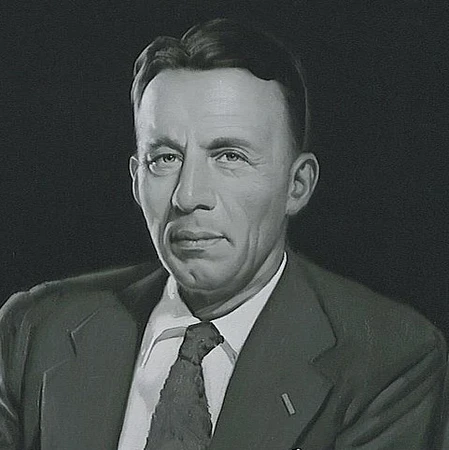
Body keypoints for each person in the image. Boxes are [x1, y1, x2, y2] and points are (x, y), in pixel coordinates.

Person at [0, 18, 446, 450]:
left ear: (297, 185)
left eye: (230, 156)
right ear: (136, 180)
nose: (188, 196)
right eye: (165, 158)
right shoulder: (33, 330)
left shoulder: (389, 359)